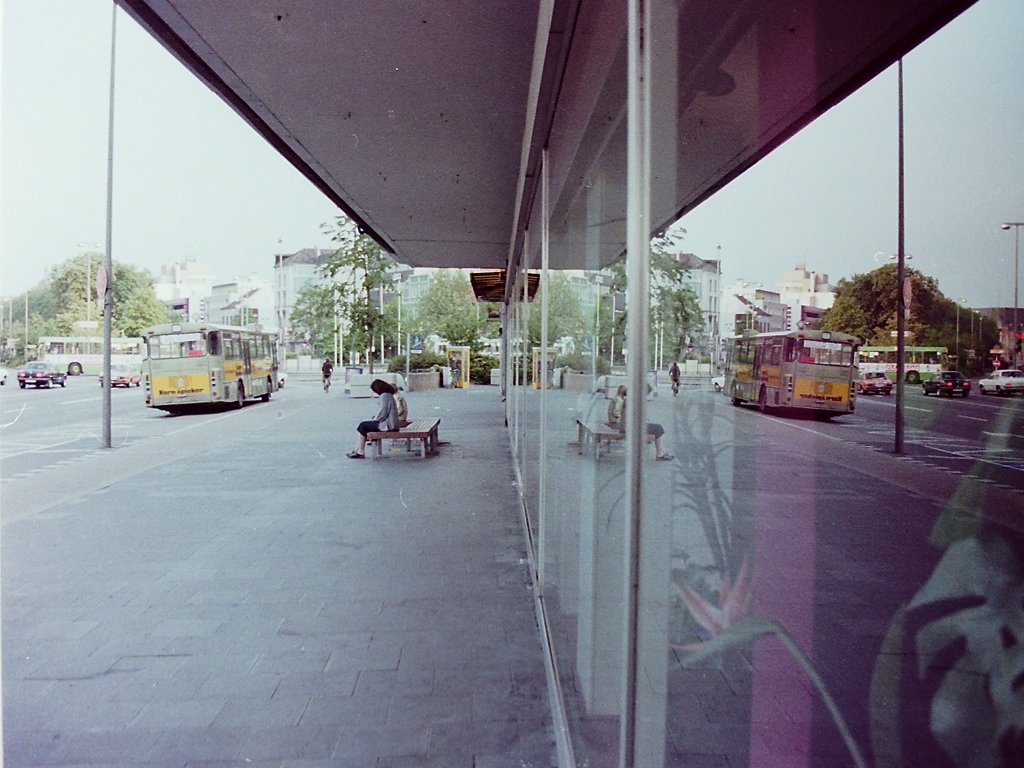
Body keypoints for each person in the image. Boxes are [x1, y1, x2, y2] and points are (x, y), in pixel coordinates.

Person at [606, 384, 673, 460]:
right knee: (658, 428)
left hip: (626, 425)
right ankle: (660, 453)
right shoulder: (635, 400)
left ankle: (661, 452)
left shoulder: (630, 399)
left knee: (656, 431)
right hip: (631, 427)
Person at [347, 379, 400, 458]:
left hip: (388, 425)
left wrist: (375, 419)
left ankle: (360, 451)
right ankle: (358, 450)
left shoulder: (384, 396)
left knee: (363, 425)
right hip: (392, 424)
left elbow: (383, 413)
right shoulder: (388, 395)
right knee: (365, 426)